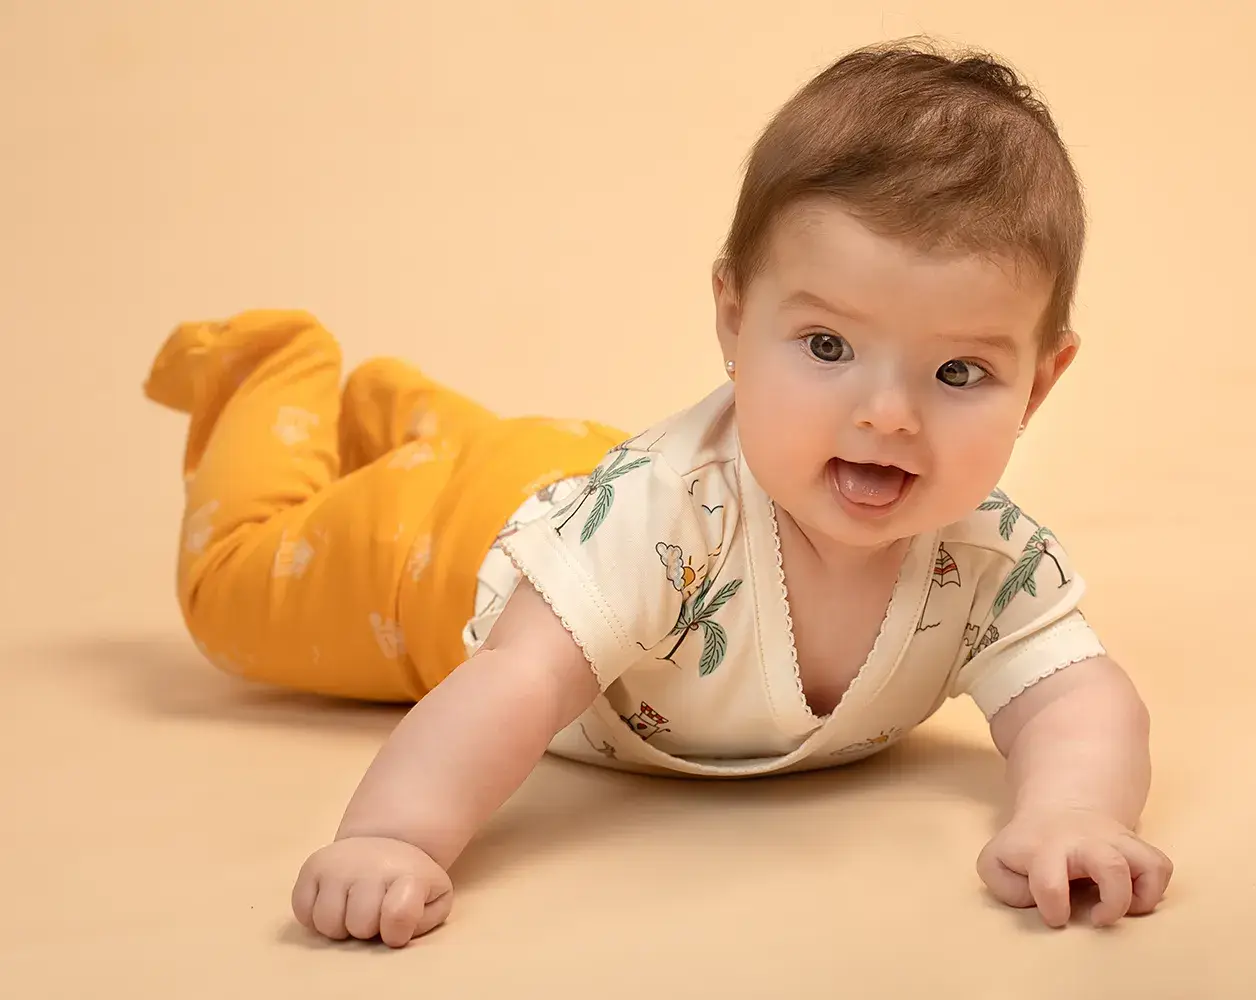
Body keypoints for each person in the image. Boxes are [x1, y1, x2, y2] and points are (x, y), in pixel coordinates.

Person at [143, 39, 1173, 948]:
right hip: (441, 561)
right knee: (237, 591)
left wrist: (1073, 815)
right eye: (827, 346)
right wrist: (390, 837)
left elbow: (1077, 696)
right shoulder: (653, 521)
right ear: (733, 320)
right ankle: (273, 369)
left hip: (583, 472)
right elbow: (516, 684)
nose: (889, 415)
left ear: (1040, 380)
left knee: (514, 455)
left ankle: (395, 412)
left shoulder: (986, 556)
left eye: (958, 374)